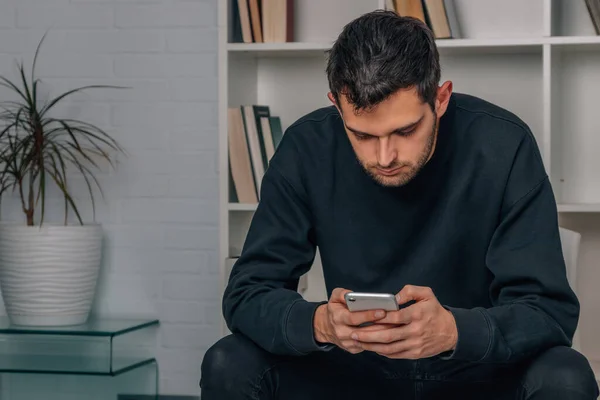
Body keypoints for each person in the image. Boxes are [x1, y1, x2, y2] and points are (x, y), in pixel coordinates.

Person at [200, 10, 600, 400]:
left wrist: (453, 331)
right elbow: (247, 293)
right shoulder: (306, 148)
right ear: (336, 106)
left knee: (565, 375)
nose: (385, 156)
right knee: (228, 361)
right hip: (350, 368)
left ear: (440, 99)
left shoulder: (504, 144)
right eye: (362, 135)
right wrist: (319, 322)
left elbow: (549, 312)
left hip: (476, 370)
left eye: (405, 130)